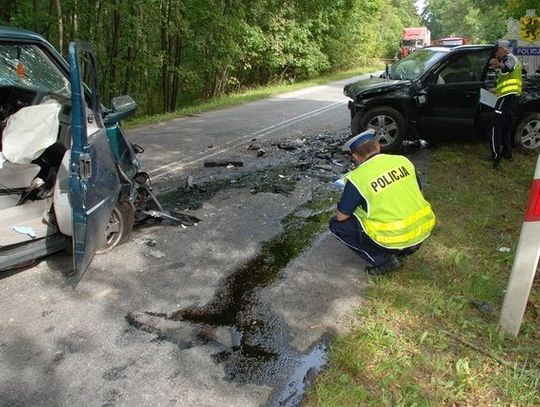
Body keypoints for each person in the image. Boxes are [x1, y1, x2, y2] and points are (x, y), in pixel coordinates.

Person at [329, 129, 436, 275]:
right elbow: (419, 192)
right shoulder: (403, 161)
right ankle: (409, 247)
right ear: (378, 146)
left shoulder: (358, 178)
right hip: (422, 228)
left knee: (336, 225)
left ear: (355, 156)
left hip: (392, 236)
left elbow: (342, 217)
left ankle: (383, 260)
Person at [489, 39, 522, 169]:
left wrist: (497, 64)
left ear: (502, 49)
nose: (496, 55)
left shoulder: (510, 58)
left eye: (496, 52)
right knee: (506, 126)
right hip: (511, 98)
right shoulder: (510, 59)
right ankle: (507, 153)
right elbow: (507, 80)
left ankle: (495, 157)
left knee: (493, 127)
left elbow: (507, 67)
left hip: (506, 99)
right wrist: (494, 89)